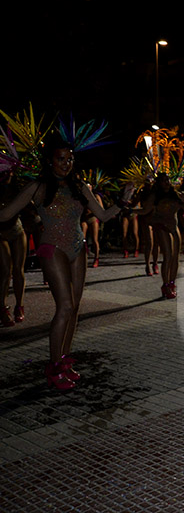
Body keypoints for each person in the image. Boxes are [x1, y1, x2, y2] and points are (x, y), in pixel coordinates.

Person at [0, 134, 133, 389]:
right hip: (53, 249)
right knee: (65, 307)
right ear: (50, 161)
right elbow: (6, 213)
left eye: (70, 158)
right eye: (61, 159)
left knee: (75, 307)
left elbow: (103, 216)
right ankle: (53, 368)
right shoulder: (37, 187)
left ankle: (64, 360)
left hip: (77, 248)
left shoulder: (80, 186)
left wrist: (123, 200)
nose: (67, 163)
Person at [142, 173, 184, 298]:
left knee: (175, 257)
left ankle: (172, 283)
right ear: (158, 183)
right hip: (161, 225)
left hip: (173, 226)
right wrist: (129, 210)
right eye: (163, 180)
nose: (166, 182)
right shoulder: (154, 196)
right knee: (168, 256)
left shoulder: (175, 194)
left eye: (167, 180)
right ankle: (165, 284)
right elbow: (145, 211)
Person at [0, 171, 27, 327]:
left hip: (16, 229)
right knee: (5, 271)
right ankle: (2, 308)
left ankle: (19, 305)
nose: (8, 173)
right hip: (0, 232)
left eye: (11, 170)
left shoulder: (19, 184)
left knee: (18, 269)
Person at [81, 183, 103, 268]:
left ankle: (96, 258)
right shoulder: (82, 197)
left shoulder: (96, 197)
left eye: (89, 187)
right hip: (84, 218)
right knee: (82, 239)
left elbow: (101, 208)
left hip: (93, 218)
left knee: (94, 239)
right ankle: (83, 258)